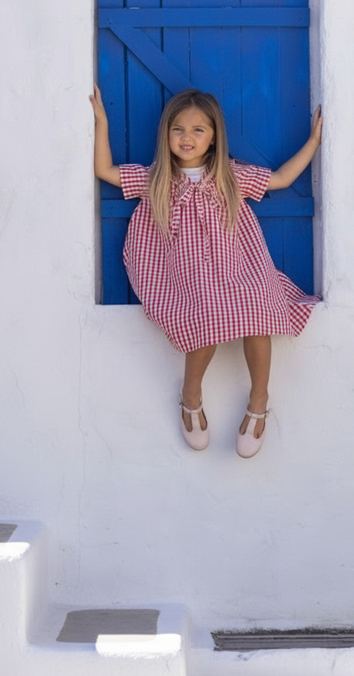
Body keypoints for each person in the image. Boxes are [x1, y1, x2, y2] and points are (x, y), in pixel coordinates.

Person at [91, 84, 322, 458]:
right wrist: (102, 119)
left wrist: (314, 142)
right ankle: (191, 395)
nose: (187, 137)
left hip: (238, 270)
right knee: (206, 315)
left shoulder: (229, 177)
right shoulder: (157, 180)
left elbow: (280, 179)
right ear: (166, 134)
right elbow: (104, 169)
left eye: (198, 130)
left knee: (260, 308)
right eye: (178, 129)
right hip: (188, 279)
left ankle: (258, 401)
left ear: (214, 138)